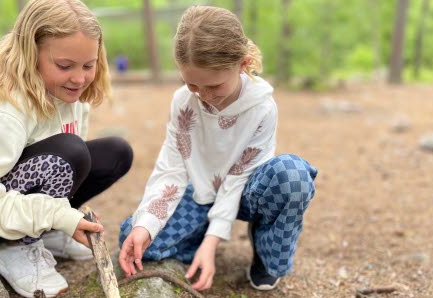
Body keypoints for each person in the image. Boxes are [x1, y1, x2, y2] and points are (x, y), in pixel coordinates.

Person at [118, 5, 317, 293]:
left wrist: (213, 243)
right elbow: (172, 169)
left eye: (213, 85)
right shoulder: (183, 102)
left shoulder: (262, 108)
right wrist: (145, 226)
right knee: (134, 236)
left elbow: (237, 178)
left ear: (242, 63)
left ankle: (265, 252)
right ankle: (198, 235)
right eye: (192, 85)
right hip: (199, 194)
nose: (205, 96)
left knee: (292, 176)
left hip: (247, 193)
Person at [0, 0, 133, 297]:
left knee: (116, 153)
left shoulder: (66, 88)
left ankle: (44, 231)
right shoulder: (0, 112)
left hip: (19, 193)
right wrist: (60, 215)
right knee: (69, 153)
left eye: (89, 65)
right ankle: (17, 247)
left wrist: (59, 216)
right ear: (30, 54)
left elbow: (74, 165)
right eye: (65, 66)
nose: (79, 78)